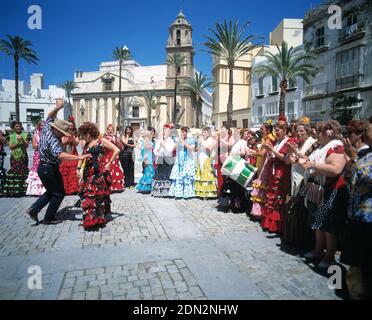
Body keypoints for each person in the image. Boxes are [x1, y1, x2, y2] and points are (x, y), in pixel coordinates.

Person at [26, 99, 91, 224]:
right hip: (49, 168)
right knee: (58, 194)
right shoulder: (54, 141)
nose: (63, 135)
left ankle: (34, 209)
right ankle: (47, 218)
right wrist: (80, 158)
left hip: (44, 167)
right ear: (57, 130)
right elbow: (60, 154)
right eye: (62, 133)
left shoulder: (46, 130)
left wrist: (58, 107)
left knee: (52, 191)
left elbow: (49, 116)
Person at [301, 120, 349, 269]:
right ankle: (318, 249)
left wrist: (314, 165)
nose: (316, 135)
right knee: (319, 221)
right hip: (322, 189)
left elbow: (335, 169)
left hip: (334, 189)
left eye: (318, 132)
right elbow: (310, 162)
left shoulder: (337, 147)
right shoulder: (322, 147)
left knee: (329, 225)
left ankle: (329, 256)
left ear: (327, 132)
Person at [341, 120, 372, 299]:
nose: (366, 133)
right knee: (357, 260)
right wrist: (352, 161)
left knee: (366, 262)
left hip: (368, 216)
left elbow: (367, 178)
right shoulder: (366, 155)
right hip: (357, 214)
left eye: (368, 130)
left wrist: (353, 158)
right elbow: (350, 177)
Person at [77, 122, 120, 230]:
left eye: (83, 135)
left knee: (99, 197)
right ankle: (91, 220)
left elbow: (117, 150)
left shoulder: (101, 141)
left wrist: (109, 163)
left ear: (88, 134)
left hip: (98, 173)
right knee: (88, 197)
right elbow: (82, 157)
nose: (83, 138)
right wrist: (77, 169)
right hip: (88, 173)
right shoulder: (87, 145)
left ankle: (99, 219)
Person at [282, 118, 317, 246]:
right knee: (296, 208)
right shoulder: (296, 142)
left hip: (306, 179)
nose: (299, 133)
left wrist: (296, 155)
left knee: (303, 208)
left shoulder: (312, 143)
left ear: (307, 131)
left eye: (301, 131)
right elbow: (288, 160)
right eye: (297, 131)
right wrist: (291, 155)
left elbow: (310, 160)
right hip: (295, 177)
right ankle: (296, 236)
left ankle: (305, 239)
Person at [261, 116, 295, 233]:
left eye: (278, 130)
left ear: (285, 130)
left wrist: (272, 150)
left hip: (283, 172)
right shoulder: (276, 142)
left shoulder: (289, 141)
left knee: (279, 197)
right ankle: (269, 223)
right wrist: (270, 153)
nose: (276, 132)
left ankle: (279, 226)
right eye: (275, 130)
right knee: (271, 196)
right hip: (273, 171)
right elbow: (273, 155)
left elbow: (286, 159)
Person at [218, 129, 255, 213]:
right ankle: (236, 205)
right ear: (243, 135)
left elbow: (245, 151)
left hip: (232, 164)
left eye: (248, 134)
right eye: (246, 134)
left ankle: (228, 204)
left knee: (231, 184)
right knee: (237, 185)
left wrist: (253, 152)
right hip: (237, 165)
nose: (247, 135)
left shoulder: (239, 142)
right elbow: (242, 153)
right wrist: (246, 154)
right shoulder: (243, 142)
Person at [250, 122, 276, 219]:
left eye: (262, 129)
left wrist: (252, 153)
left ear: (268, 130)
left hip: (265, 164)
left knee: (262, 186)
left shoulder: (268, 140)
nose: (261, 131)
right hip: (262, 163)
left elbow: (262, 153)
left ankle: (260, 213)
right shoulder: (265, 139)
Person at [2, 121, 31, 197]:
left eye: (19, 126)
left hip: (23, 156)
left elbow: (27, 146)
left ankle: (23, 191)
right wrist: (18, 143)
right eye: (16, 126)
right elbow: (10, 147)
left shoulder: (26, 134)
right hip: (14, 157)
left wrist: (22, 139)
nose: (18, 127)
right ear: (13, 127)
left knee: (23, 171)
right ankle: (14, 191)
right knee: (15, 171)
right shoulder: (10, 136)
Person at [169, 127, 196, 199]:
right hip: (179, 160)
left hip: (187, 160)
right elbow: (173, 148)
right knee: (178, 176)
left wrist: (183, 142)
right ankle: (178, 193)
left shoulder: (191, 140)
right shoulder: (177, 139)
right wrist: (178, 142)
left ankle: (187, 194)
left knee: (186, 177)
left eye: (185, 132)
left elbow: (191, 148)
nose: (183, 133)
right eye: (182, 132)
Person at [152, 124, 175, 197]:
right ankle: (159, 192)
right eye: (163, 131)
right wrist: (160, 146)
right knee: (159, 175)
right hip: (160, 158)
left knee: (166, 175)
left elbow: (170, 151)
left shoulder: (170, 140)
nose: (164, 132)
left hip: (168, 159)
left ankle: (166, 192)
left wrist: (164, 145)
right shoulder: (160, 140)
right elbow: (155, 151)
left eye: (166, 131)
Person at [59, 116, 80, 195]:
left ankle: (74, 189)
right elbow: (62, 143)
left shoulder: (75, 135)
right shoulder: (63, 134)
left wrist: (72, 137)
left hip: (73, 153)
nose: (71, 127)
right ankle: (64, 189)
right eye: (69, 126)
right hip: (65, 154)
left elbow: (76, 143)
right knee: (64, 171)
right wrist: (67, 138)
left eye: (72, 126)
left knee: (73, 170)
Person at [195, 126, 217, 199]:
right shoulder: (202, 139)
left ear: (208, 133)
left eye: (205, 132)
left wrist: (202, 142)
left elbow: (209, 148)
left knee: (206, 175)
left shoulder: (210, 139)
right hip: (200, 158)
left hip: (206, 158)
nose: (203, 134)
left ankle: (207, 193)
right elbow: (198, 148)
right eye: (203, 132)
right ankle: (200, 192)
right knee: (200, 174)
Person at [26, 121, 46, 196]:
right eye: (42, 125)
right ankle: (36, 190)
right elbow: (34, 146)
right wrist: (42, 143)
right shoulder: (35, 135)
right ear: (39, 126)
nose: (43, 127)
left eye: (45, 126)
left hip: (46, 154)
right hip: (38, 154)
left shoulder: (48, 135)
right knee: (38, 170)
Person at [103, 124, 124, 192]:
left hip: (115, 155)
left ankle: (115, 186)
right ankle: (108, 186)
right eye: (109, 130)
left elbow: (119, 146)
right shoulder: (105, 138)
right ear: (107, 130)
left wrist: (117, 139)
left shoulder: (115, 137)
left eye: (111, 129)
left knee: (115, 168)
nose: (110, 131)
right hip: (108, 155)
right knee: (109, 169)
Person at [136, 128, 156, 194]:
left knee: (152, 172)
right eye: (151, 132)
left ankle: (152, 187)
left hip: (153, 159)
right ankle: (146, 187)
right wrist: (144, 159)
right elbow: (143, 150)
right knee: (148, 172)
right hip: (148, 159)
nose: (152, 133)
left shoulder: (154, 141)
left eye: (153, 132)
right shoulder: (146, 140)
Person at [0, 130, 7, 196]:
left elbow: (5, 142)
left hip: (0, 154)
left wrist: (1, 136)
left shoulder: (0, 132)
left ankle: (1, 189)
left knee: (0, 170)